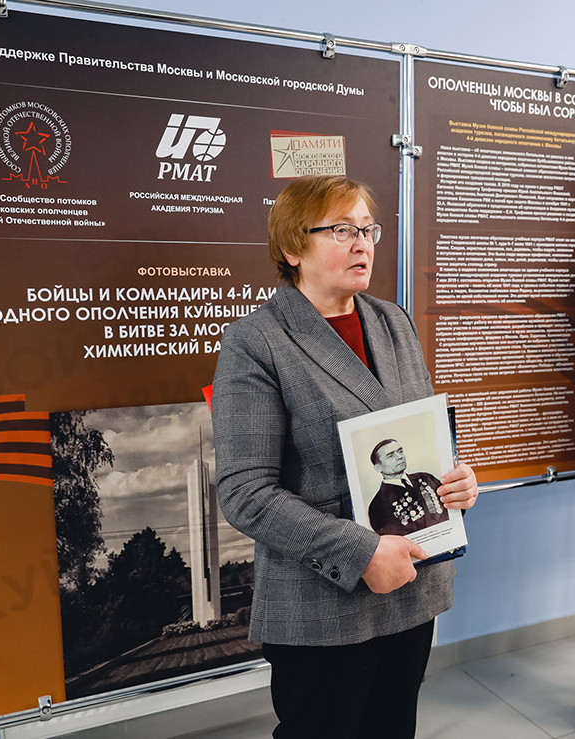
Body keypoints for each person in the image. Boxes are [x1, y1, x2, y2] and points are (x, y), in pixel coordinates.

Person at [212, 175, 479, 739]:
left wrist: (456, 480)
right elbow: (245, 493)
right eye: (341, 230)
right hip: (324, 605)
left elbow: (420, 438)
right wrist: (361, 552)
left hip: (411, 587)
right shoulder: (257, 341)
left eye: (367, 229)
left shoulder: (393, 322)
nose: (362, 244)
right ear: (293, 248)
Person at [368, 439, 449, 536]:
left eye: (400, 451)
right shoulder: (377, 506)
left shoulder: (425, 478)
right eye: (390, 456)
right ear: (378, 468)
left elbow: (453, 509)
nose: (400, 457)